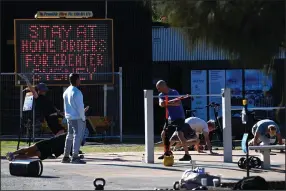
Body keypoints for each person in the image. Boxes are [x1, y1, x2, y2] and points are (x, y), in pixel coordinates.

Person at [156, 80, 191, 161]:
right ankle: (167, 152)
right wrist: (163, 103)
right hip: (170, 118)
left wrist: (167, 103)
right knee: (163, 134)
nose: (158, 90)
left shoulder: (174, 92)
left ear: (164, 86)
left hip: (179, 117)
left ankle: (187, 155)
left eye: (159, 88)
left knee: (179, 134)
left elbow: (178, 103)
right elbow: (161, 104)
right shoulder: (161, 94)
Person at [6, 132, 89, 161]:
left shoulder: (72, 145)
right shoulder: (69, 135)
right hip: (48, 143)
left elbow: (71, 153)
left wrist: (78, 155)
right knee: (29, 149)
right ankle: (12, 154)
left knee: (31, 154)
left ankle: (15, 157)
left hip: (50, 150)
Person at [61, 73, 86, 164]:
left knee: (69, 136)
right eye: (79, 79)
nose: (80, 81)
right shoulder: (77, 92)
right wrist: (83, 118)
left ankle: (66, 156)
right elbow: (80, 107)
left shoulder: (66, 91)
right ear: (76, 80)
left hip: (69, 117)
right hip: (77, 117)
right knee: (77, 136)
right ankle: (75, 157)